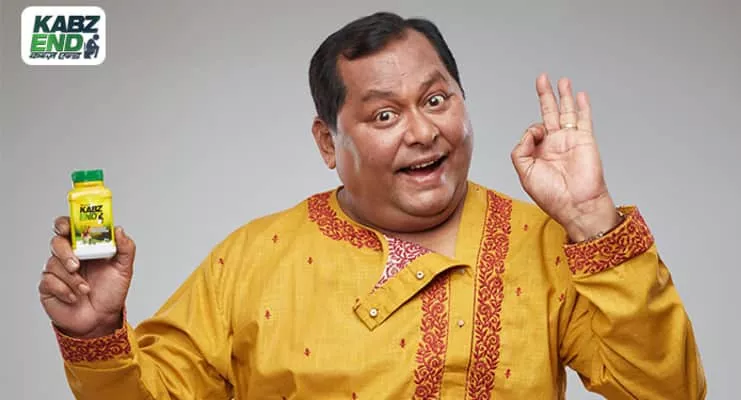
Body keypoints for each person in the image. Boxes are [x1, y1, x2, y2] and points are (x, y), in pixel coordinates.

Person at [38, 11, 706, 400]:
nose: (422, 131)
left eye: (436, 100)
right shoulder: (252, 260)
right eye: (384, 114)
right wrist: (96, 337)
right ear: (328, 142)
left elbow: (668, 392)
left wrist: (591, 219)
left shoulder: (547, 242)